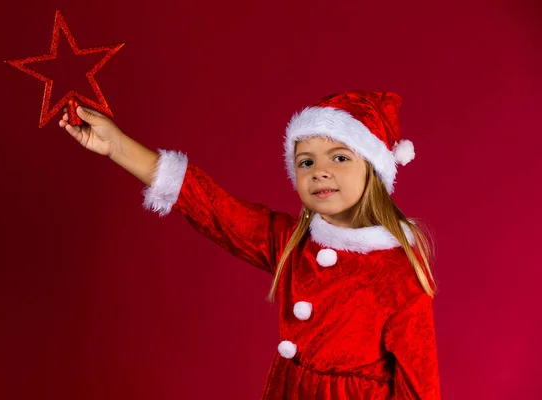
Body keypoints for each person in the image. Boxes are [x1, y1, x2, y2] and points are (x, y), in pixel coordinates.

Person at [59, 90, 441, 399]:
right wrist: (117, 146)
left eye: (340, 157)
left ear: (374, 169)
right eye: (305, 162)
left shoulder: (398, 271)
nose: (320, 171)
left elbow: (418, 384)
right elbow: (214, 209)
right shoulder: (291, 242)